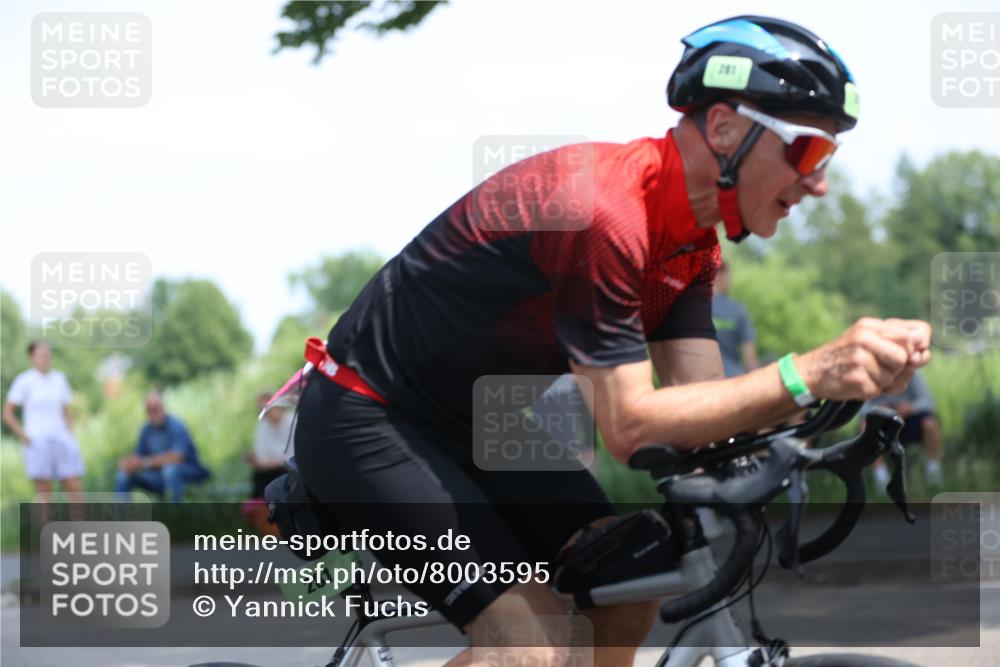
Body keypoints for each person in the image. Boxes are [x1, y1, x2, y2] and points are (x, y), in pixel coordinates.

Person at [293, 16, 931, 666]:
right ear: (724, 127)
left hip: (484, 424)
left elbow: (703, 410)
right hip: (368, 416)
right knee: (531, 645)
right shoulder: (604, 212)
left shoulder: (688, 249)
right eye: (808, 151)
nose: (819, 182)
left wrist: (838, 392)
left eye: (831, 157)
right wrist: (805, 372)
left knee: (627, 581)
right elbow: (629, 425)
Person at [2, 340, 85, 501]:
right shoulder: (24, 381)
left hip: (61, 439)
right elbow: (7, 413)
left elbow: (66, 411)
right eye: (41, 355)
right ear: (32, 357)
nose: (45, 358)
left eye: (48, 355)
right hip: (37, 442)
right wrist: (24, 436)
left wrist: (70, 435)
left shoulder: (59, 378)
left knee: (74, 486)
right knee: (44, 493)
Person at [115, 391, 210, 502]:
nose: (153, 414)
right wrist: (128, 464)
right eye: (149, 411)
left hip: (186, 473)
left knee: (170, 470)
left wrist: (145, 463)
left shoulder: (177, 426)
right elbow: (138, 457)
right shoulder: (146, 430)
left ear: (163, 407)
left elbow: (176, 457)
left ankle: (176, 515)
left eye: (156, 409)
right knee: (123, 476)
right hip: (158, 477)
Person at [860, 370, 943, 486]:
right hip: (882, 421)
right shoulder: (871, 374)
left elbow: (928, 401)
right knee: (865, 427)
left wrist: (910, 408)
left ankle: (934, 473)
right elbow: (862, 409)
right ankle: (881, 479)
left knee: (930, 424)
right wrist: (881, 410)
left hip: (909, 420)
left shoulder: (912, 373)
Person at [712, 261, 759, 377]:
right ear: (721, 277)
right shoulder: (738, 309)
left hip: (699, 383)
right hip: (733, 380)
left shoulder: (693, 308)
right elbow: (750, 357)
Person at [247, 390, 293, 498]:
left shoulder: (292, 421)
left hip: (290, 470)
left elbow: (295, 455)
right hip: (272, 471)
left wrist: (269, 462)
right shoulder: (263, 426)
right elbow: (262, 457)